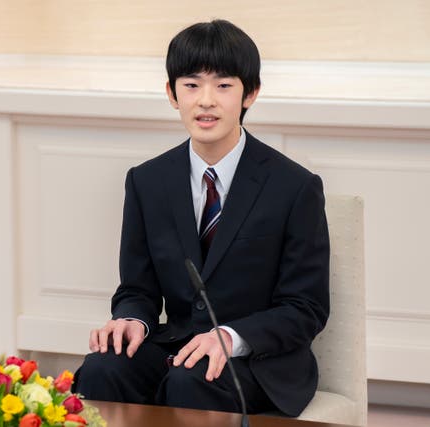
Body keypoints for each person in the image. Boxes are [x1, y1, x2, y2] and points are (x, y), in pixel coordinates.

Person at [73, 19, 329, 417]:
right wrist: (130, 319)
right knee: (102, 369)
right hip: (178, 345)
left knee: (190, 379)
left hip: (257, 362)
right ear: (172, 94)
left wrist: (229, 336)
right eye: (191, 85)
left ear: (251, 93)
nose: (206, 100)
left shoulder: (294, 187)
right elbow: (137, 289)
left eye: (224, 86)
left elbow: (305, 307)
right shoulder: (147, 181)